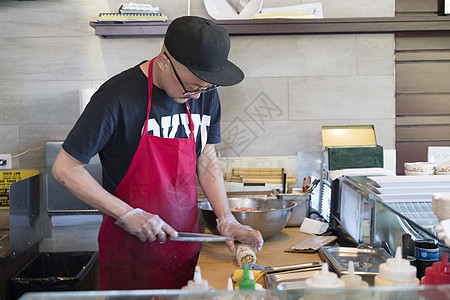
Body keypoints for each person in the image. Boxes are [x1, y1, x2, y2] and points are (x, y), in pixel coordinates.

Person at [52, 16, 264, 290]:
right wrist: (127, 214)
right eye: (191, 88)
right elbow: (65, 168)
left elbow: (206, 156)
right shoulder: (115, 97)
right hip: (132, 256)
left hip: (187, 249)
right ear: (164, 61)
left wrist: (226, 218)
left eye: (205, 88)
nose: (198, 97)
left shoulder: (203, 91)